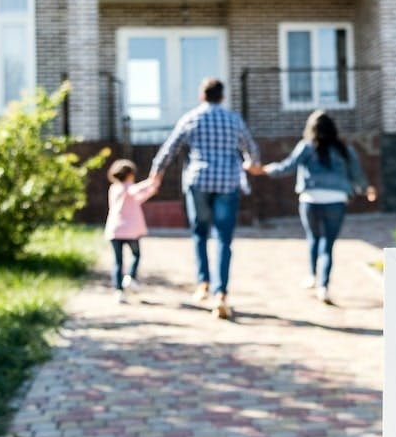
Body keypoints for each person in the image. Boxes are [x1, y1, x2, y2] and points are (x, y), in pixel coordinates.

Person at [150, 78, 259, 319]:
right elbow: (250, 149)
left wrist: (156, 174)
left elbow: (170, 148)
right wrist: (253, 164)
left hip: (198, 182)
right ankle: (221, 294)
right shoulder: (233, 119)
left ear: (202, 96)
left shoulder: (192, 117)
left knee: (199, 233)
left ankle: (203, 284)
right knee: (223, 238)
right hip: (228, 183)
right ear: (222, 96)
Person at [250, 110, 376, 305]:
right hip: (336, 200)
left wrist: (264, 169)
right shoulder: (344, 149)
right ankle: (323, 286)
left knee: (313, 238)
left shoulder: (307, 147)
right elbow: (356, 173)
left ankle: (311, 275)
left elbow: (287, 166)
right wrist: (366, 188)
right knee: (328, 244)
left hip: (310, 199)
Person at [104, 159, 157, 304]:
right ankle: (130, 277)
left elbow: (138, 197)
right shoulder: (128, 187)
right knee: (136, 255)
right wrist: (152, 181)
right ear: (129, 175)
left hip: (115, 230)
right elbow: (136, 190)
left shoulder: (113, 189)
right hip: (130, 231)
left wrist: (151, 190)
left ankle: (118, 291)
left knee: (118, 262)